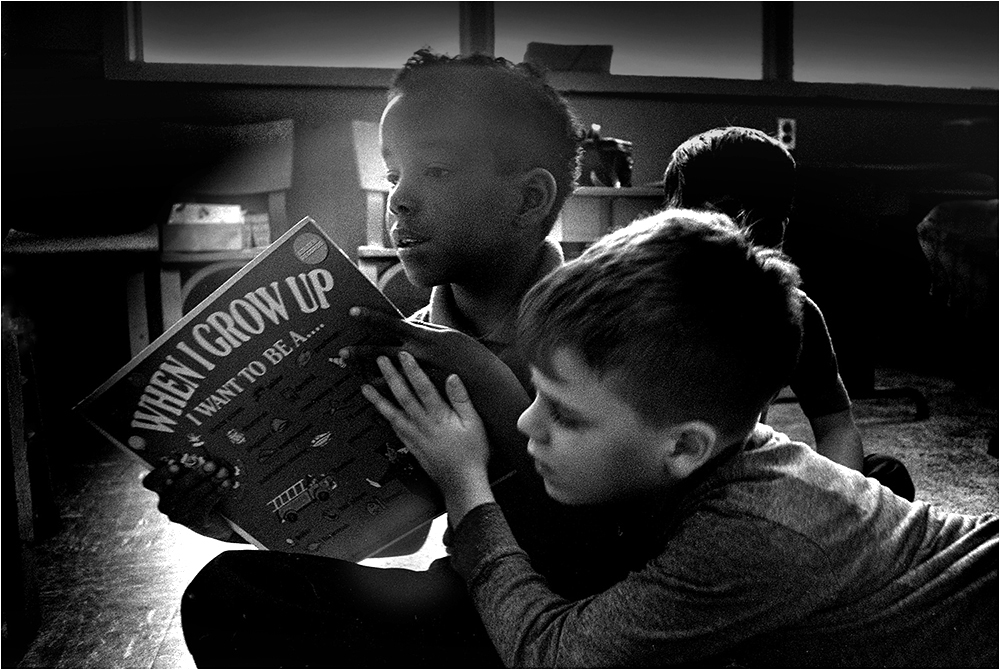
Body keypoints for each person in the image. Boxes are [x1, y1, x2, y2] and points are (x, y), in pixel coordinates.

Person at [358, 210, 998, 667]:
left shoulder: (751, 532)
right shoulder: (714, 451)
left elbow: (553, 655)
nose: (527, 423)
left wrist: (465, 486)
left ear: (686, 448)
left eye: (566, 415)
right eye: (537, 395)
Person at [663, 125, 915, 499]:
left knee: (884, 474)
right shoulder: (644, 304)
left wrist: (836, 499)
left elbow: (835, 425)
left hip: (742, 481)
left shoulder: (792, 311)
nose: (749, 244)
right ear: (675, 223)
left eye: (770, 224)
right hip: (653, 487)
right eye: (728, 220)